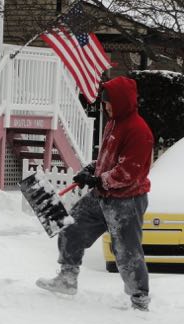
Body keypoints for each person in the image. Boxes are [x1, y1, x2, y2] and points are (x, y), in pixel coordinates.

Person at [36, 76, 154, 311]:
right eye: (104, 103)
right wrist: (91, 170)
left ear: (121, 101)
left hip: (126, 201)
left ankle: (139, 299)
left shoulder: (139, 131)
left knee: (126, 250)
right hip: (102, 195)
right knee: (71, 227)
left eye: (109, 103)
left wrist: (98, 179)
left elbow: (128, 172)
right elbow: (108, 160)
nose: (106, 107)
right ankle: (67, 278)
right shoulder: (113, 124)